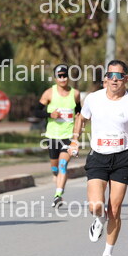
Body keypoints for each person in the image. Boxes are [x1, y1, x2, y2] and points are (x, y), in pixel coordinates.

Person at [70, 60, 128, 256]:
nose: (114, 79)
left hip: (122, 158)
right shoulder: (93, 99)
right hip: (98, 157)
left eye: (119, 76)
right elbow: (81, 118)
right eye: (110, 75)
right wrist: (75, 140)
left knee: (115, 209)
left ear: (126, 79)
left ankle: (107, 255)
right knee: (96, 206)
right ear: (105, 78)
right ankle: (98, 219)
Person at [34, 64, 81, 208]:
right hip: (53, 136)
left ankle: (58, 195)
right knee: (55, 168)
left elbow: (79, 114)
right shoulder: (49, 93)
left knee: (62, 165)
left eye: (65, 75)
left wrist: (77, 135)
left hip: (68, 136)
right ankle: (55, 175)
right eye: (60, 76)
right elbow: (36, 112)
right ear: (55, 78)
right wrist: (50, 114)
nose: (63, 78)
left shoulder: (75, 94)